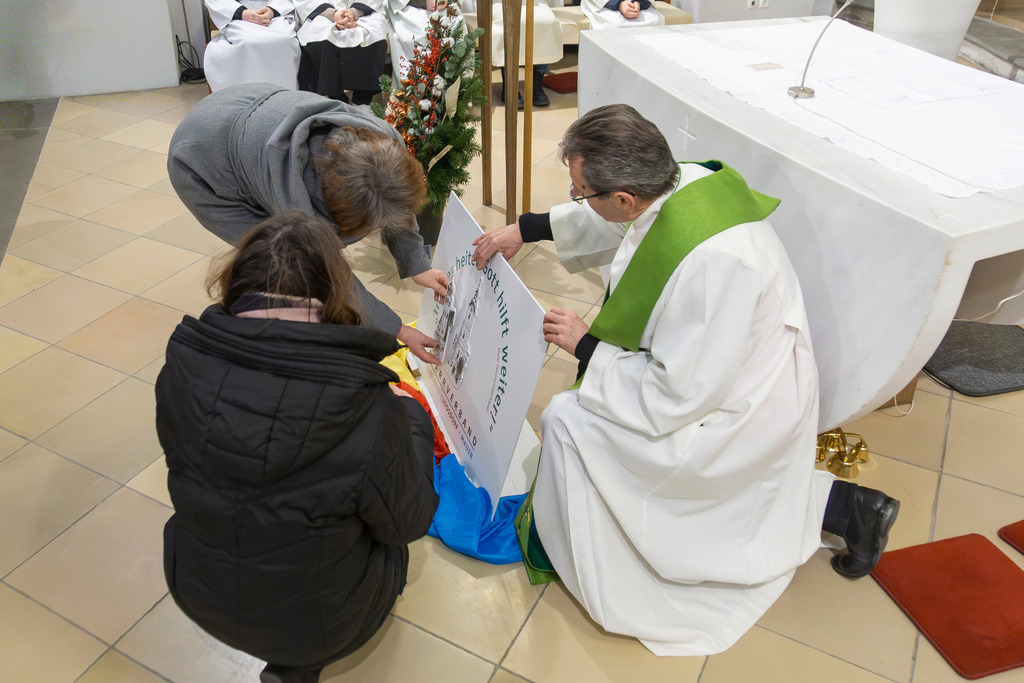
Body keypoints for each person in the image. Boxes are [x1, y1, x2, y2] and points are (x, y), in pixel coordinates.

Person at [471, 104, 900, 655]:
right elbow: (627, 233)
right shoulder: (681, 180)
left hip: (742, 403)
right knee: (587, 414)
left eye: (582, 192)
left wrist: (586, 346)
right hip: (725, 368)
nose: (579, 200)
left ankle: (603, 556)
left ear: (623, 197)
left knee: (569, 422)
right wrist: (524, 230)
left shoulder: (714, 264)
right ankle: (851, 508)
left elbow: (678, 394)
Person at [157, 211, 440, 683]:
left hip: (195, 589)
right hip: (323, 627)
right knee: (392, 540)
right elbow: (408, 524)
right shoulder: (365, 405)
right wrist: (408, 414)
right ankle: (297, 665)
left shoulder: (181, 363)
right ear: (335, 298)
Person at [167, 81, 446, 364]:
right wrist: (397, 330)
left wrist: (417, 264)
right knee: (280, 255)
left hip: (245, 105)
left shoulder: (384, 141)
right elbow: (328, 273)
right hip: (199, 160)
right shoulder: (297, 208)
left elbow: (396, 200)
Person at [294, 0, 390, 104]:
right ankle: (334, 98)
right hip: (324, 12)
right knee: (320, 33)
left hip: (363, 12)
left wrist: (353, 13)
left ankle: (363, 101)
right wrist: (333, 14)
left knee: (373, 33)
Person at [204, 0, 302, 92]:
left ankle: (285, 98)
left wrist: (273, 10)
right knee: (248, 41)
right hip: (239, 18)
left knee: (284, 40)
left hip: (274, 15)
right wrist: (241, 13)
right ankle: (247, 99)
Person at [580, 0, 663, 29]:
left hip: (635, 5)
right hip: (605, 5)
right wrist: (618, 4)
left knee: (652, 22)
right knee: (614, 25)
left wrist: (639, 2)